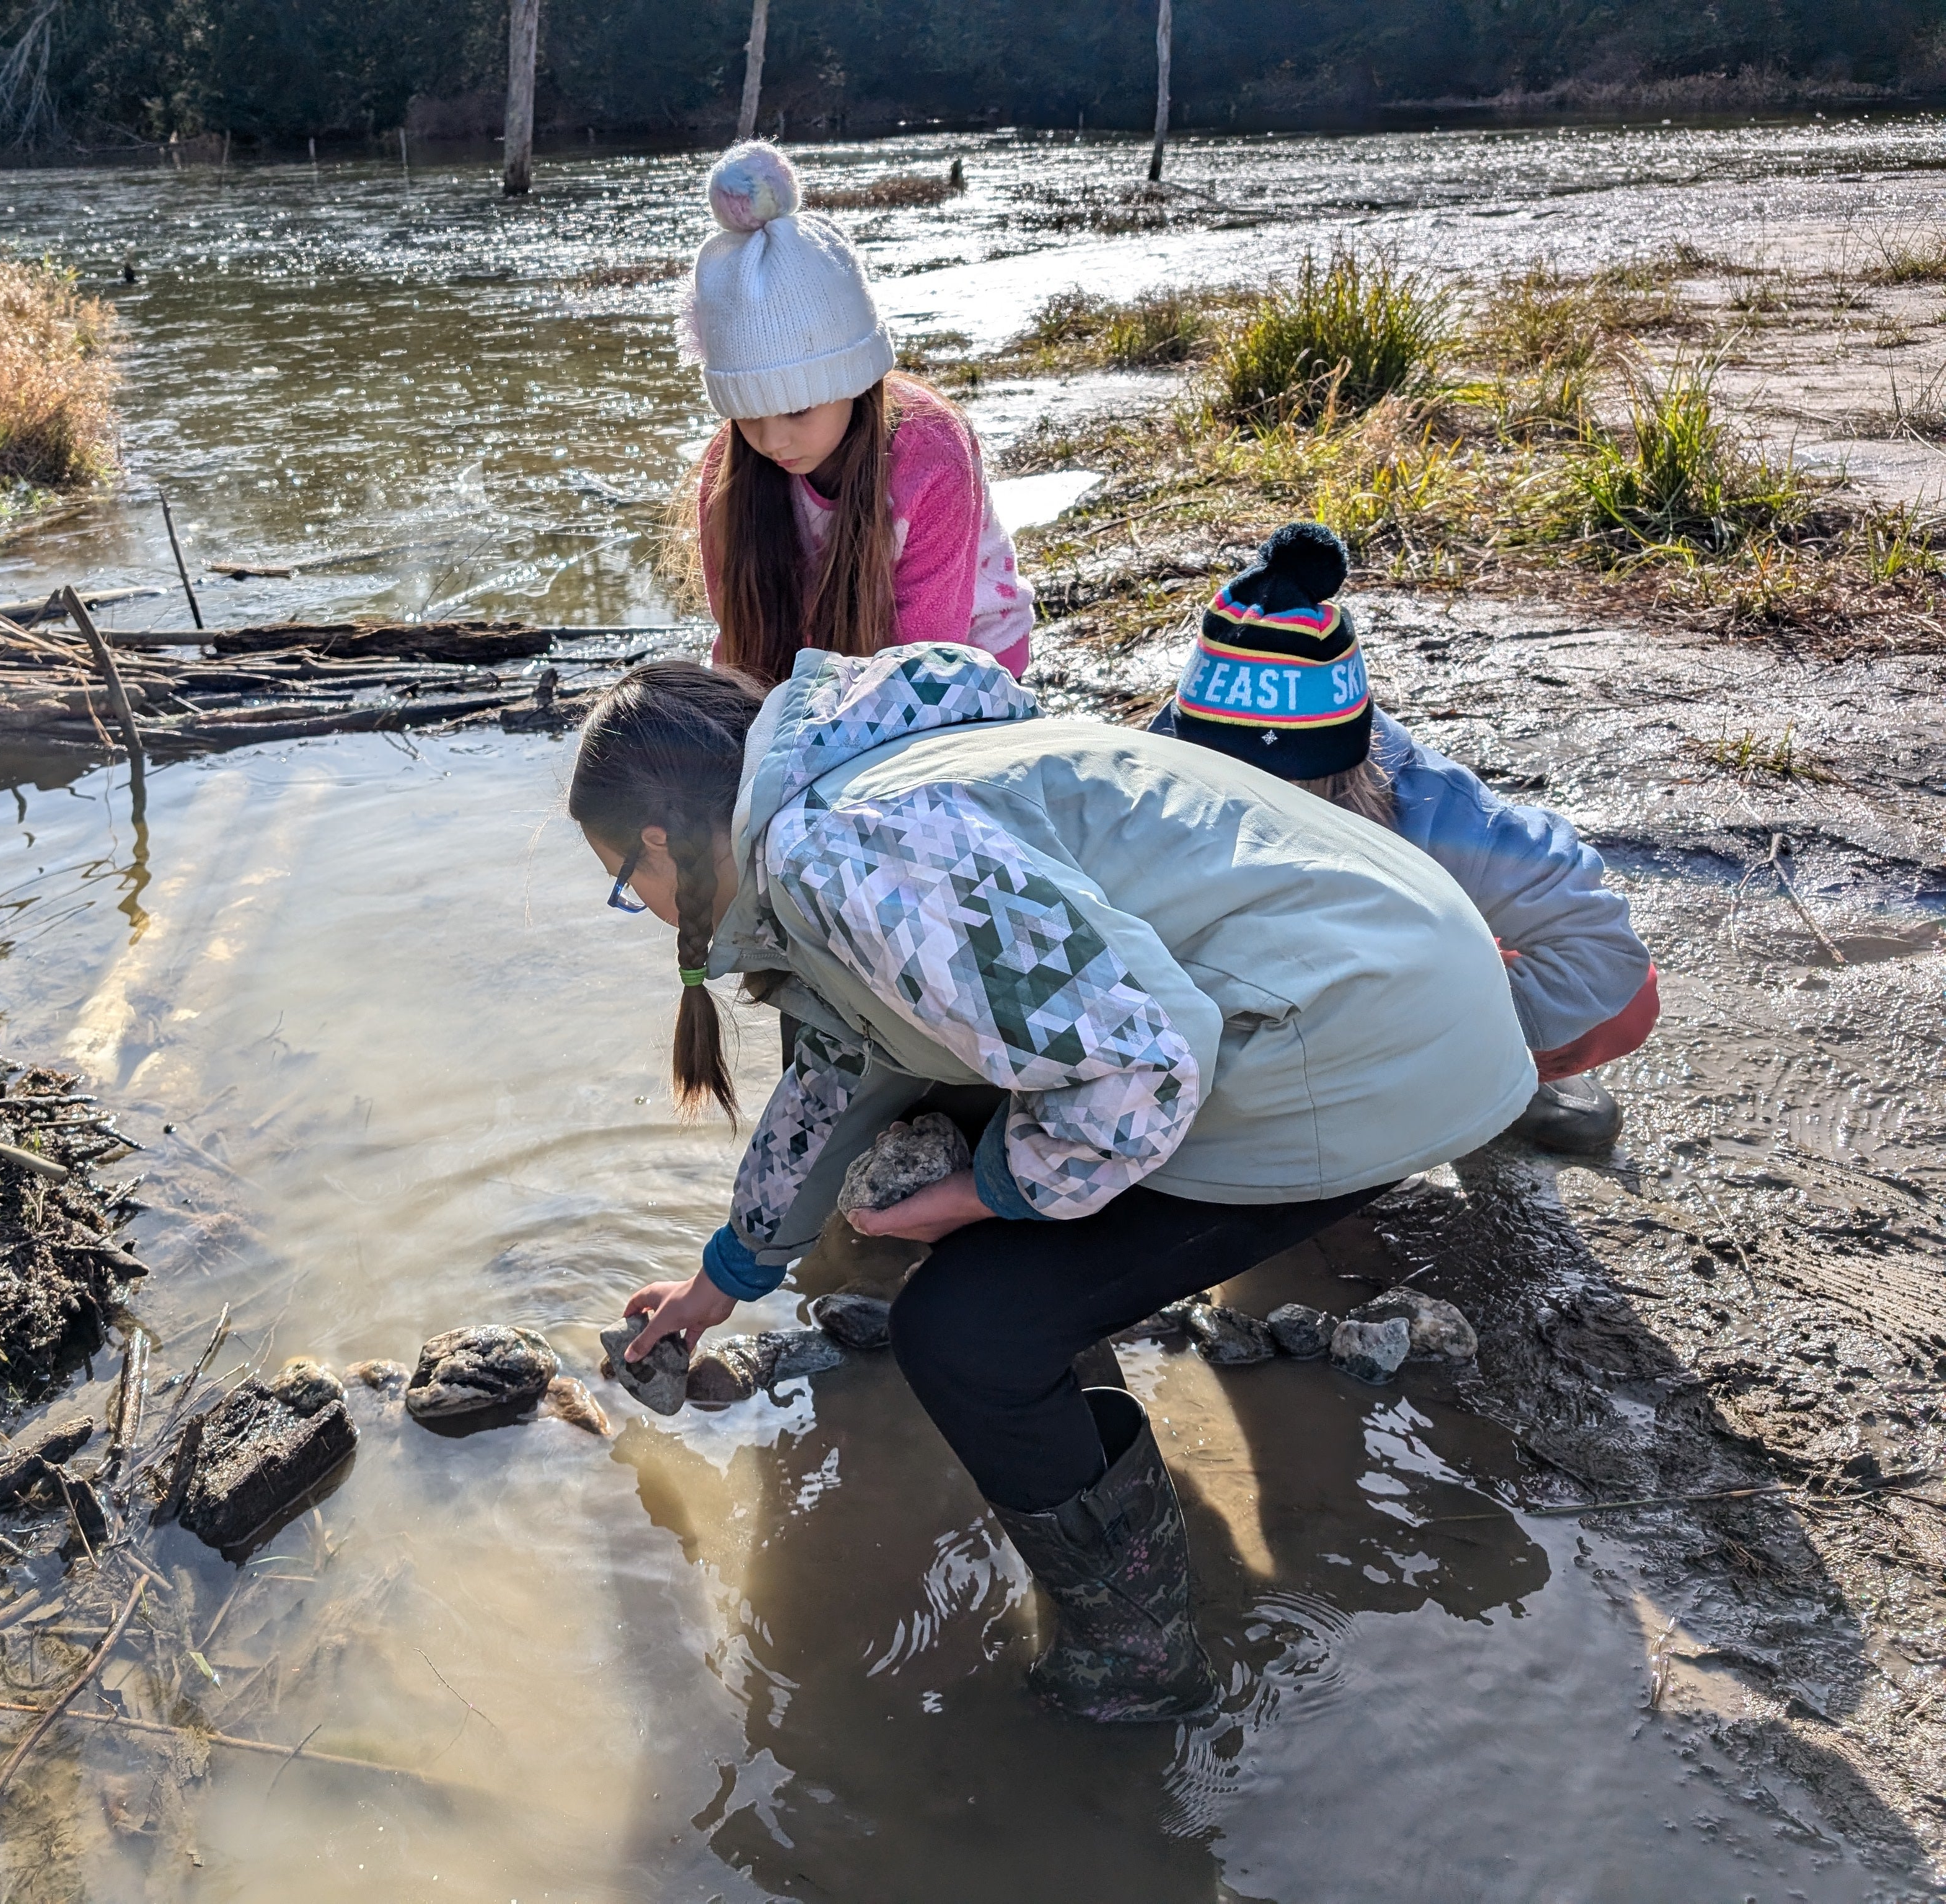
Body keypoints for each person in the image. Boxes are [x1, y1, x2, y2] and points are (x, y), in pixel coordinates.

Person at [567, 643, 1537, 1722]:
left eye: (623, 882)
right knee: (1003, 1211)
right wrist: (723, 1281)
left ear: (656, 841)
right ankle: (1107, 1489)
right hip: (1408, 977)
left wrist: (987, 1194)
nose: (641, 905)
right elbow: (847, 1066)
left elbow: (1146, 1062)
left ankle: (1136, 1667)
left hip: (1364, 1044)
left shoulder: (833, 849)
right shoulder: (871, 767)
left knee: (966, 1327)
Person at [1146, 521, 1658, 1154]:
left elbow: (1601, 948)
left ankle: (1504, 1086)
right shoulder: (1148, 774)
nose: (1246, 814)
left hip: (1400, 995)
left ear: (1340, 776)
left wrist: (1451, 1046)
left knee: (1627, 1003)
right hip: (1251, 994)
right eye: (1217, 788)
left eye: (1274, 794)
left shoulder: (1433, 809)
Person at [680, 141, 1032, 689]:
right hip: (822, 652)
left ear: (854, 381)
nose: (772, 440)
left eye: (797, 409)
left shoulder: (933, 454)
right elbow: (739, 635)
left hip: (958, 657)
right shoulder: (727, 470)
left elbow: (926, 656)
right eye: (748, 414)